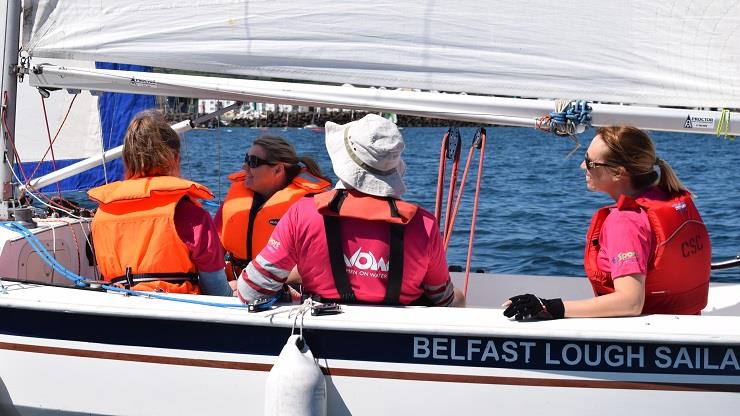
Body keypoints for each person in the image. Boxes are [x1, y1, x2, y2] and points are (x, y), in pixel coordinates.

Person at [237, 114, 465, 307]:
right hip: (397, 348)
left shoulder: (303, 214)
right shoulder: (424, 224)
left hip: (320, 342)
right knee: (460, 297)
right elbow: (442, 300)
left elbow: (250, 291)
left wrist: (287, 292)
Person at [503, 126, 711, 320]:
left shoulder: (626, 220)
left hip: (644, 344)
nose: (582, 166)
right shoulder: (670, 199)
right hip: (684, 334)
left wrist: (551, 306)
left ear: (619, 172)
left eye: (590, 162)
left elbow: (631, 302)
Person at [88, 111, 233, 296]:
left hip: (119, 308)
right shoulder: (191, 216)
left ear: (127, 159)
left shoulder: (101, 215)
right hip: (177, 313)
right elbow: (217, 292)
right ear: (174, 158)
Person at [215, 135, 331, 280]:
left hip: (281, 289)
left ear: (277, 170)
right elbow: (212, 250)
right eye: (246, 159)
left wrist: (250, 286)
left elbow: (316, 263)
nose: (244, 167)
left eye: (253, 162)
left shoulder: (309, 206)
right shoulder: (236, 203)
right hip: (234, 284)